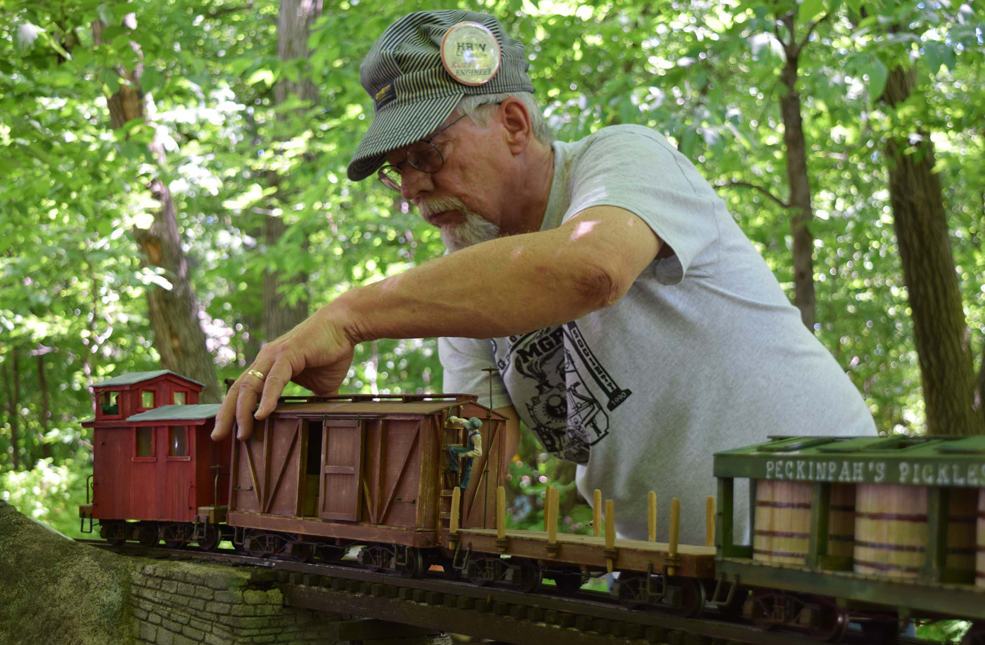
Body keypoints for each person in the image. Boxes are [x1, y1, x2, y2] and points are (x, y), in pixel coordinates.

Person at [212, 9, 877, 544]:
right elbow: (475, 469)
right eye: (397, 171)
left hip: (837, 536)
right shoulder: (463, 292)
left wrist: (351, 314)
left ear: (513, 122)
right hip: (666, 578)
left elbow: (590, 269)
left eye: (426, 154)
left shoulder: (624, 158)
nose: (413, 189)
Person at [446, 416, 483, 490]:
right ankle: (454, 467)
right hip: (468, 448)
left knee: (467, 468)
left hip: (473, 451)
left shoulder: (477, 436)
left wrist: (465, 454)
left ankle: (463, 486)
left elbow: (479, 452)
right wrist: (452, 419)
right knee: (453, 450)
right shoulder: (468, 424)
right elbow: (460, 420)